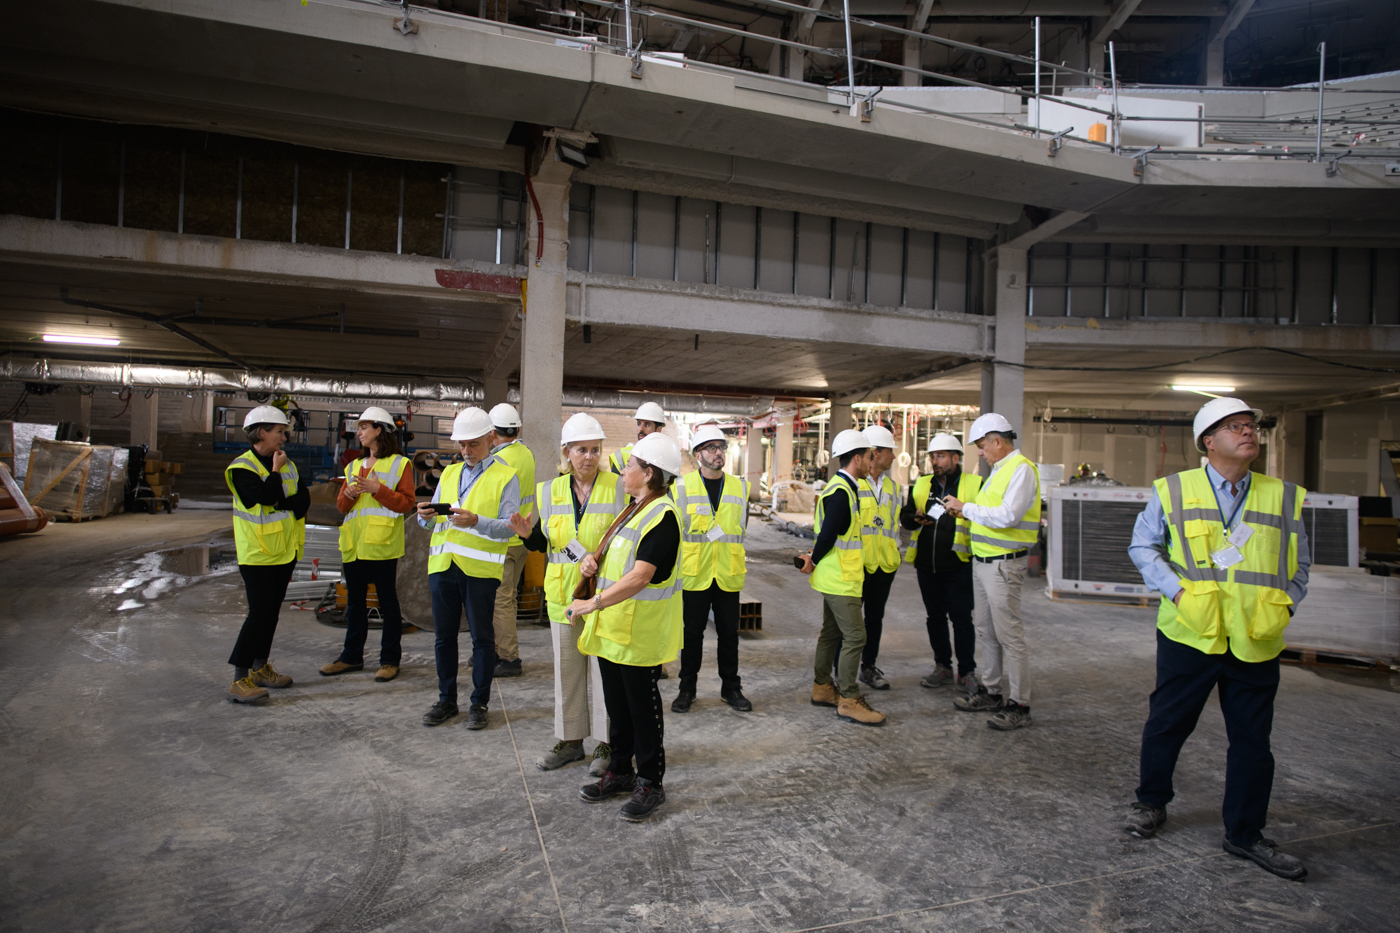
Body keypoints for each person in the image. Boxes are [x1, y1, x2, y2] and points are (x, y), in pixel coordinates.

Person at [1125, 397, 1311, 881]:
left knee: (1253, 741)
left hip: (1255, 635)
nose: (1249, 432)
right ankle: (1150, 801)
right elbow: (1143, 546)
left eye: (1251, 426)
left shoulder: (1281, 496)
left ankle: (1245, 833)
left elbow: (1300, 566)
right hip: (1191, 631)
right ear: (1208, 442)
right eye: (1235, 426)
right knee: (1168, 722)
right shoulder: (1175, 490)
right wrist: (1178, 593)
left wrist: (1285, 607)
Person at [568, 432, 684, 822]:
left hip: (639, 632)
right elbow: (621, 562)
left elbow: (641, 576)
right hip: (615, 629)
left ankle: (651, 782)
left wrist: (592, 602)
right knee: (618, 708)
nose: (622, 471)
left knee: (642, 710)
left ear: (649, 473)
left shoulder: (662, 517)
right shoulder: (634, 508)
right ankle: (620, 771)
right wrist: (593, 561)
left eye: (629, 465)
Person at [515, 413, 626, 776]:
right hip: (563, 595)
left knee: (605, 673)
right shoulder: (549, 490)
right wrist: (526, 535)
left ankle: (607, 744)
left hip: (603, 595)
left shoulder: (618, 487)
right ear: (567, 452)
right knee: (568, 671)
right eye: (581, 450)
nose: (589, 457)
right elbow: (544, 542)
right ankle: (571, 741)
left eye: (595, 449)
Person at [415, 407, 522, 731]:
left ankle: (479, 703)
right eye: (462, 444)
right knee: (444, 638)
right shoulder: (449, 473)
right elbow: (429, 520)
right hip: (443, 565)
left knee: (482, 639)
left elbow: (509, 528)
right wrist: (424, 516)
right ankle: (446, 700)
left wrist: (476, 521)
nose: (466, 450)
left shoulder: (506, 476)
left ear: (491, 438)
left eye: (473, 444)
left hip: (480, 570)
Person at [942, 412, 1040, 731]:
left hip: (1003, 564)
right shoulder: (998, 471)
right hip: (984, 562)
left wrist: (966, 508)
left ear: (998, 441)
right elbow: (991, 515)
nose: (981, 453)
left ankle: (1020, 704)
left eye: (982, 446)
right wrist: (966, 514)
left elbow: (1009, 516)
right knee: (986, 630)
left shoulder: (1021, 470)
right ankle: (992, 691)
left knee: (1009, 634)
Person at [320, 406, 417, 682]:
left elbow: (406, 503)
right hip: (354, 545)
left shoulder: (400, 464)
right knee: (355, 604)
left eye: (363, 427)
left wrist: (378, 490)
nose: (359, 433)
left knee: (388, 603)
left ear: (379, 430)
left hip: (382, 544)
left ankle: (390, 660)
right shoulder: (353, 466)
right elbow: (342, 507)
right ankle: (351, 657)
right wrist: (349, 494)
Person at [798, 429, 885, 726]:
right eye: (870, 457)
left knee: (832, 633)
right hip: (841, 580)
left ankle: (823, 688)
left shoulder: (845, 488)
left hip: (839, 576)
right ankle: (849, 699)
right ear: (857, 458)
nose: (872, 462)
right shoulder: (840, 493)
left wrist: (816, 560)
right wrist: (813, 560)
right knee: (856, 636)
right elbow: (828, 535)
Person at [225, 405, 309, 703]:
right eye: (280, 432)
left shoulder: (288, 465)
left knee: (271, 614)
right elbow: (265, 497)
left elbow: (302, 502)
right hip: (258, 553)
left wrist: (278, 499)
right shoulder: (242, 468)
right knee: (259, 614)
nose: (284, 438)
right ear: (261, 432)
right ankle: (239, 679)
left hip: (284, 551)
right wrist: (274, 475)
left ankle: (260, 669)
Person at [672, 424, 753, 713]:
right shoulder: (681, 487)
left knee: (729, 635)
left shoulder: (740, 487)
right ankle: (687, 688)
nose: (718, 453)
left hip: (728, 572)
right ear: (698, 455)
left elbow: (741, 528)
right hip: (695, 573)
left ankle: (731, 688)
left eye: (721, 447)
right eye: (711, 448)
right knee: (692, 635)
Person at [900, 432, 981, 692]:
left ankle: (966, 672)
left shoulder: (974, 484)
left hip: (959, 563)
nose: (935, 461)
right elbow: (906, 516)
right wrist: (915, 519)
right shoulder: (922, 484)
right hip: (927, 564)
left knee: (961, 619)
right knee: (935, 617)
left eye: (941, 456)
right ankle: (943, 666)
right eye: (933, 456)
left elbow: (983, 518)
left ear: (956, 458)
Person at [487, 403, 536, 679]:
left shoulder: (498, 460)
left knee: (501, 601)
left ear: (493, 433)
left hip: (503, 541)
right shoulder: (526, 453)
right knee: (509, 599)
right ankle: (496, 649)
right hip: (521, 540)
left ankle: (508, 658)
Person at [855, 424, 900, 691]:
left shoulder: (893, 488)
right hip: (857, 565)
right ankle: (841, 673)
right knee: (849, 623)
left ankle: (868, 667)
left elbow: (893, 526)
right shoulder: (853, 485)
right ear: (874, 453)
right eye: (889, 451)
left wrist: (895, 553)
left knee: (875, 619)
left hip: (884, 565)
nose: (893, 456)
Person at [609, 400, 666, 475]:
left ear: (658, 430)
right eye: (639, 424)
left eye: (647, 425)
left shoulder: (666, 460)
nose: (641, 429)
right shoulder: (621, 456)